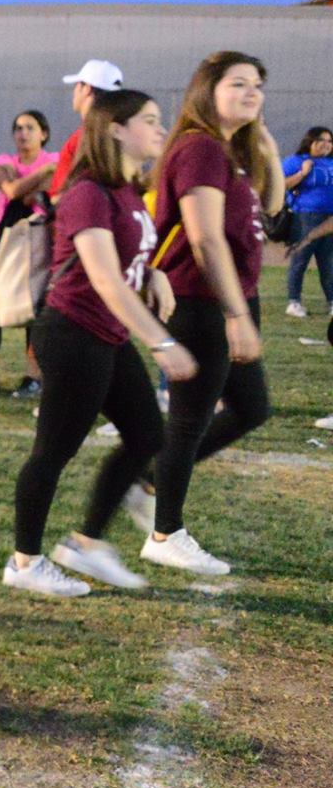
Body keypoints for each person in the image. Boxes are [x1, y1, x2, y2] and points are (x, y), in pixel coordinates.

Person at [3, 91, 197, 598]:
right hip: (72, 334)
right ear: (115, 129)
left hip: (105, 335)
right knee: (53, 452)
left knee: (147, 435)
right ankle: (24, 562)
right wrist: (162, 342)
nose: (161, 128)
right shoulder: (87, 191)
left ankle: (87, 543)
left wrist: (153, 274)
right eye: (149, 120)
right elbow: (105, 278)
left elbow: (125, 260)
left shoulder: (126, 190)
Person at [142, 51, 279, 577]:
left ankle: (148, 479)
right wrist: (235, 314)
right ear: (207, 91)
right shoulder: (199, 148)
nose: (252, 92)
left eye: (257, 84)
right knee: (189, 420)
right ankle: (164, 533)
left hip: (231, 297)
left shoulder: (228, 150)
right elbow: (204, 238)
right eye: (238, 83)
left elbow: (271, 208)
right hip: (201, 301)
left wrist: (266, 145)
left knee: (251, 407)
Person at [0, 109, 56, 396]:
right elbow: (12, 191)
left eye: (30, 128)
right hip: (2, 246)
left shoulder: (55, 160)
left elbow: (34, 194)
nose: (23, 133)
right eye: (19, 128)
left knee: (34, 310)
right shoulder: (3, 161)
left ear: (44, 134)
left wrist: (32, 184)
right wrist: (42, 174)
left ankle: (32, 376)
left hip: (38, 248)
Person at [46, 58, 127, 197]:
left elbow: (75, 189)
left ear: (87, 88)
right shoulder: (115, 133)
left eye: (77, 85)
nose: (74, 91)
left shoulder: (89, 136)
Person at [282, 126, 333, 317]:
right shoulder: (296, 161)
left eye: (329, 141)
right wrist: (302, 174)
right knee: (300, 260)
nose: (326, 144)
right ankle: (294, 302)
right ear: (310, 141)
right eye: (321, 140)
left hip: (329, 218)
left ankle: (331, 302)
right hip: (306, 217)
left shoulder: (331, 162)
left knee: (328, 262)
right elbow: (280, 185)